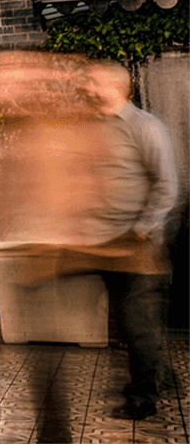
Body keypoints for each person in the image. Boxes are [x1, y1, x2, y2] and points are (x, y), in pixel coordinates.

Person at [84, 61, 177, 421]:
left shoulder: (146, 127)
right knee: (133, 322)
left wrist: (141, 230)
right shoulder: (100, 128)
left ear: (117, 87)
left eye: (94, 81)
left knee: (139, 322)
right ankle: (157, 375)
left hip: (140, 245)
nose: (88, 87)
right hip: (110, 244)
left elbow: (167, 186)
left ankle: (143, 398)